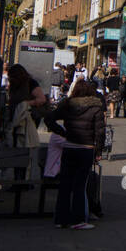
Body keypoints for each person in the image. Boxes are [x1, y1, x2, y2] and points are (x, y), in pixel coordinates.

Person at [42, 78, 106, 229]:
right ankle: (78, 220)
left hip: (69, 147)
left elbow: (49, 118)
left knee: (65, 184)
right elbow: (100, 132)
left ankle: (61, 219)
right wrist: (98, 150)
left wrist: (63, 132)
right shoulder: (95, 108)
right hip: (86, 148)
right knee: (79, 185)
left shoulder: (67, 104)